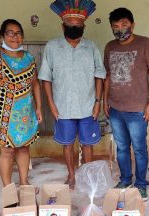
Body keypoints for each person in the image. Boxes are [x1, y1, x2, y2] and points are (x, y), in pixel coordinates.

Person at [39, 0, 106, 190]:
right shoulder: (52, 47)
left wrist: (97, 102)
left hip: (87, 106)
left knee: (87, 144)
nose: (74, 28)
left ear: (84, 26)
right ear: (63, 25)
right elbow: (46, 78)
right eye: (70, 25)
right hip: (62, 107)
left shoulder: (91, 47)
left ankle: (86, 176)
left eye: (78, 25)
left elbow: (99, 75)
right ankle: (71, 175)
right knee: (67, 144)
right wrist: (51, 104)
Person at [103, 7, 149, 201]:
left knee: (139, 148)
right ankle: (125, 179)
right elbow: (108, 76)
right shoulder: (110, 46)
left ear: (132, 24)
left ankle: (141, 185)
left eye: (124, 24)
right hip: (115, 107)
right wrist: (105, 100)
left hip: (137, 109)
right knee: (121, 147)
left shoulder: (145, 44)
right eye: (116, 26)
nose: (120, 29)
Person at [0, 19, 42, 187]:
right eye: (10, 33)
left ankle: (23, 181)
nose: (15, 36)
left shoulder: (29, 57)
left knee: (23, 148)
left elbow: (35, 83)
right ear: (2, 35)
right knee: (7, 151)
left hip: (25, 113)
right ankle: (8, 188)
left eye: (19, 33)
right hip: (3, 114)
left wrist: (39, 108)